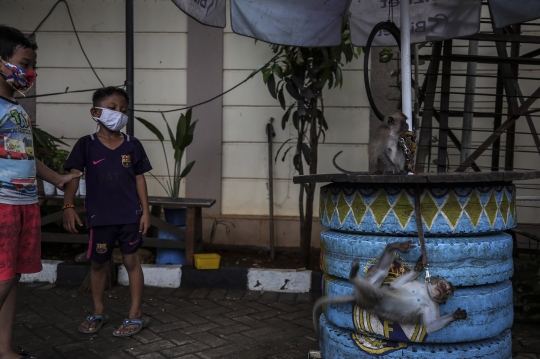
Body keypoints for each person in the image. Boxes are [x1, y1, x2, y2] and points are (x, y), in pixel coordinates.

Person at [0, 25, 81, 359]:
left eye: (32, 65)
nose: (30, 72)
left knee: (13, 276)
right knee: (3, 278)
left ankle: (3, 349)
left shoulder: (15, 107)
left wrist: (60, 180)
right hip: (2, 204)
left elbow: (23, 156)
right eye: (24, 62)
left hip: (24, 203)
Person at [62, 86, 152, 337]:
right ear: (96, 112)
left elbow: (140, 180)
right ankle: (98, 311)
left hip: (130, 216)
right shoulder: (86, 144)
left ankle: (136, 314)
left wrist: (145, 212)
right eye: (112, 109)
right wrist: (68, 207)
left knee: (132, 262)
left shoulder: (133, 145)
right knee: (99, 264)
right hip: (99, 218)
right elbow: (72, 177)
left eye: (123, 110)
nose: (119, 114)